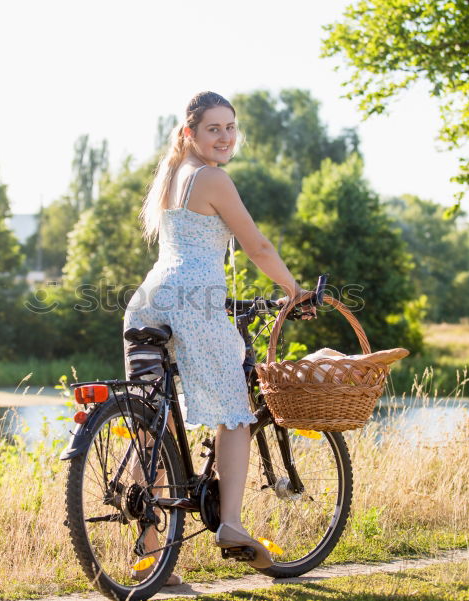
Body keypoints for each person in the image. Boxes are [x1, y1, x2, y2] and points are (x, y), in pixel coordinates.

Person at [123, 91, 315, 584]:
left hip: (150, 299)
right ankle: (230, 524)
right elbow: (258, 245)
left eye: (231, 127)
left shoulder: (171, 176)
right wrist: (294, 291)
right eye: (214, 128)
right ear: (190, 133)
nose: (226, 136)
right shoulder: (212, 178)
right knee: (236, 411)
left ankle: (152, 556)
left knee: (155, 424)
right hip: (195, 299)